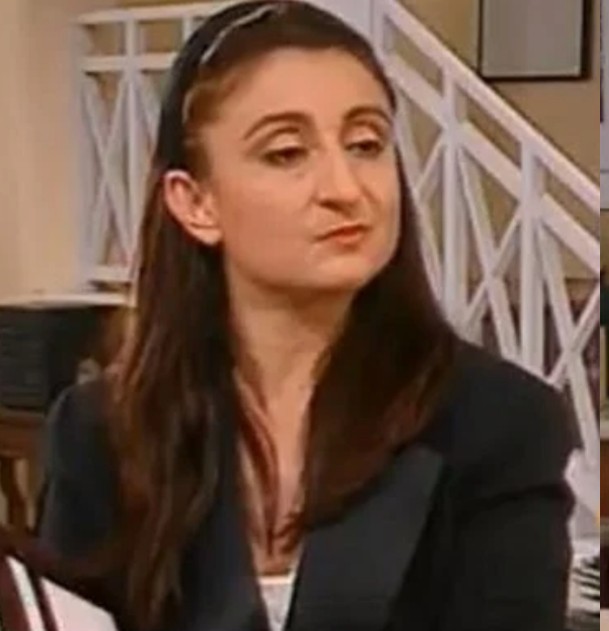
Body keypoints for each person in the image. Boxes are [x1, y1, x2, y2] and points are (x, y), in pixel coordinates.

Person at [35, 3, 576, 630]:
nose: (346, 188)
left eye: (366, 144)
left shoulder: (503, 423)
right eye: (287, 153)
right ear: (195, 203)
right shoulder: (97, 432)